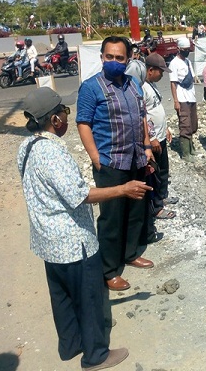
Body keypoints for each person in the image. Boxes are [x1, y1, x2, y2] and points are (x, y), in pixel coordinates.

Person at [18, 87, 145, 370]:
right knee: (90, 298)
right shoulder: (52, 152)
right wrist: (123, 189)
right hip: (74, 242)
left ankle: (71, 344)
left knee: (62, 296)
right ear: (55, 120)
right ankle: (96, 355)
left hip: (47, 240)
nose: (65, 115)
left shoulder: (26, 147)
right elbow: (79, 195)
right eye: (64, 111)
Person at [76, 36, 155, 292]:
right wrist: (95, 158)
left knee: (135, 211)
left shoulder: (133, 85)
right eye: (109, 57)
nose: (113, 61)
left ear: (128, 59)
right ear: (101, 57)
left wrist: (146, 146)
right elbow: (84, 123)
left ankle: (130, 253)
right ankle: (109, 270)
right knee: (111, 218)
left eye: (119, 58)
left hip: (135, 157)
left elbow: (142, 117)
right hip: (110, 161)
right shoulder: (91, 87)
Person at [142, 53, 179, 220]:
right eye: (160, 71)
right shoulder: (142, 87)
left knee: (164, 169)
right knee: (154, 174)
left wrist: (165, 129)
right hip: (153, 139)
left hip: (161, 135)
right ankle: (156, 207)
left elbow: (156, 109)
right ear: (150, 70)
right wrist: (151, 137)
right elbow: (143, 115)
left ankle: (162, 197)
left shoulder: (152, 85)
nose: (162, 75)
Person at [169, 37, 198, 162]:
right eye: (185, 49)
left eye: (188, 49)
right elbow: (173, 83)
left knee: (193, 123)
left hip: (191, 96)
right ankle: (185, 153)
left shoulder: (187, 62)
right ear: (179, 49)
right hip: (181, 97)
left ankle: (191, 147)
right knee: (185, 124)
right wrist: (176, 101)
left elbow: (192, 75)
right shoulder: (174, 63)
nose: (187, 51)